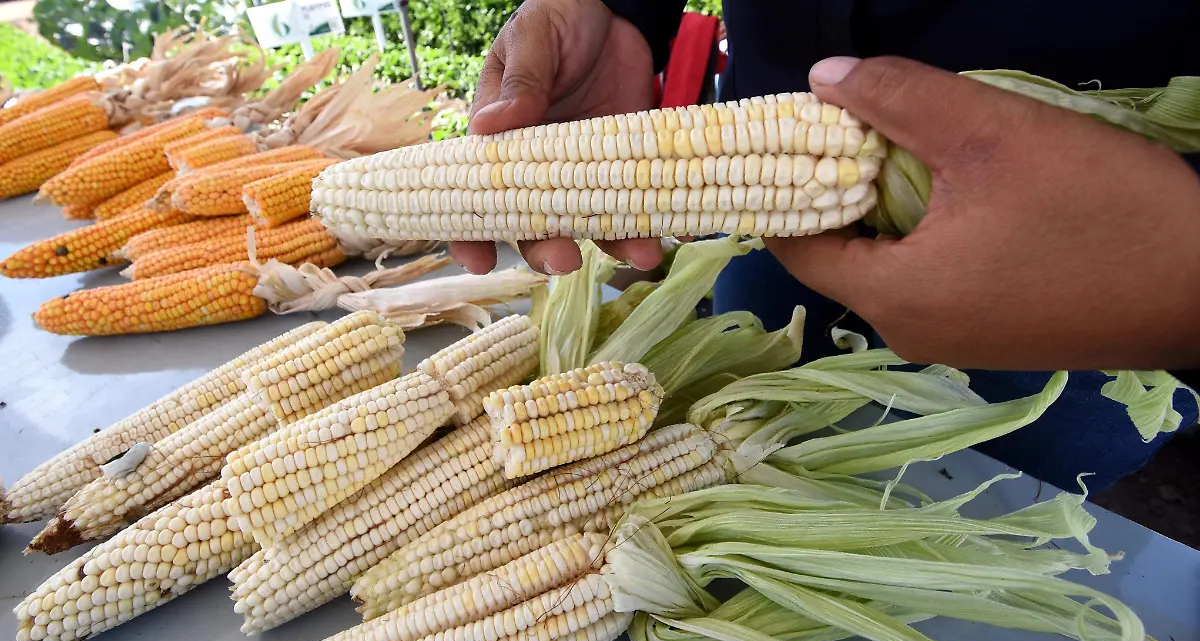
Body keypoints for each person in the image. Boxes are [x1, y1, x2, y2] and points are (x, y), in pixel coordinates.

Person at [448, 0, 1200, 493]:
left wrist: (1180, 279)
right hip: (768, 215)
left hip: (1093, 255)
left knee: (988, 507)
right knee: (742, 445)